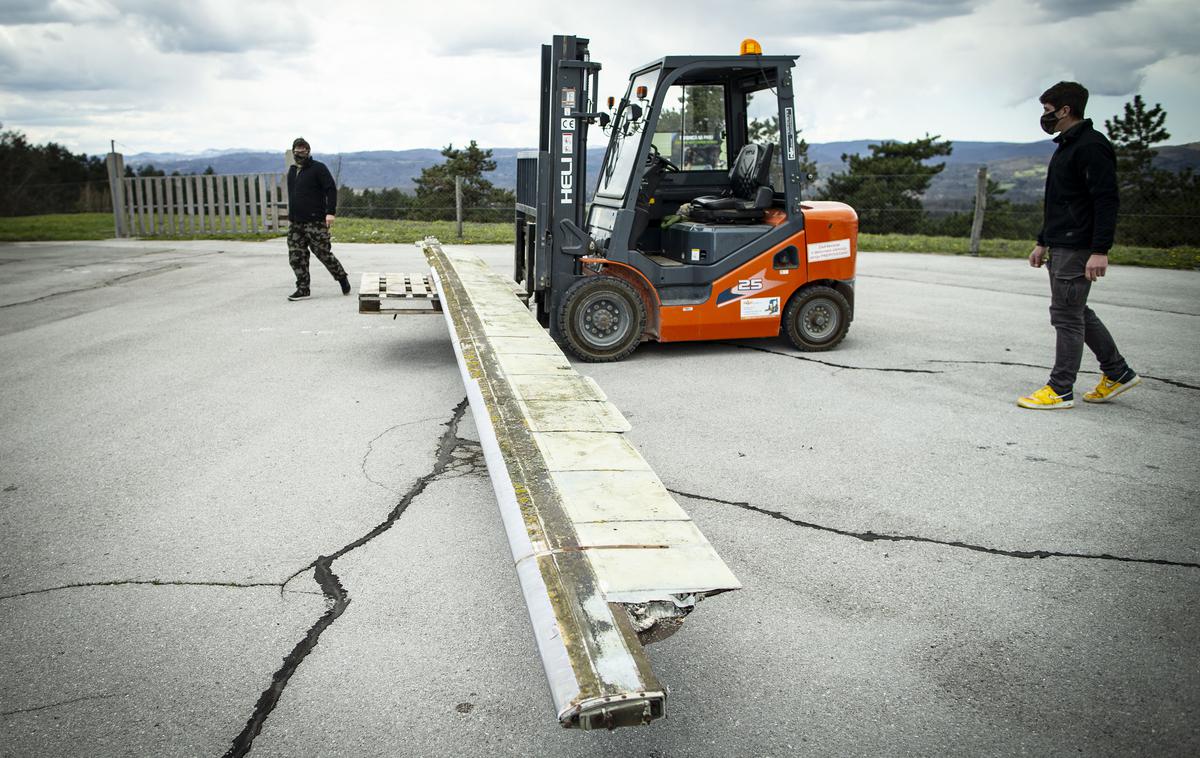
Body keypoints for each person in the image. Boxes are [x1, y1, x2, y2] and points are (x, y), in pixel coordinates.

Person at [1017, 81, 1139, 410]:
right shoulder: (1068, 145)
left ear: (1065, 110)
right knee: (1077, 311)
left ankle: (1060, 388)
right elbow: (1058, 202)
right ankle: (1118, 372)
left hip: (1079, 245)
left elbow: (1105, 200)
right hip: (1062, 243)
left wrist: (1100, 250)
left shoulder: (1090, 146)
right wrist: (1042, 242)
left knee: (1066, 316)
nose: (1044, 117)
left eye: (1047, 111)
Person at [285, 137, 350, 301]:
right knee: (296, 256)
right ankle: (303, 288)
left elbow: (330, 190)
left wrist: (330, 213)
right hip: (296, 223)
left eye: (303, 149)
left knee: (322, 252)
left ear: (308, 151)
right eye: (297, 150)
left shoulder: (318, 168)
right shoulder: (292, 171)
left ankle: (341, 277)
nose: (300, 152)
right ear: (293, 151)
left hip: (315, 221)